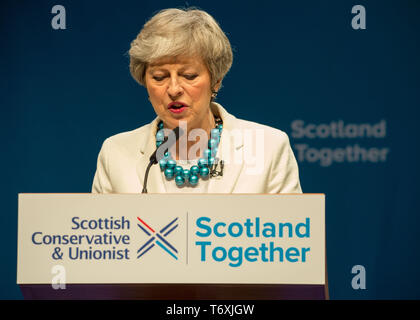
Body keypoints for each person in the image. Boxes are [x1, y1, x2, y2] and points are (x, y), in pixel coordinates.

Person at [92, 8, 302, 194]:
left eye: (189, 76)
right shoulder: (115, 153)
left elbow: (292, 235)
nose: (173, 89)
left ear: (216, 81)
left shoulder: (269, 147)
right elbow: (101, 235)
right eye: (159, 77)